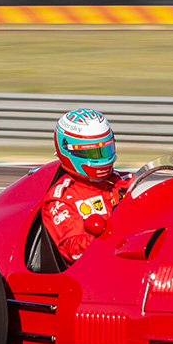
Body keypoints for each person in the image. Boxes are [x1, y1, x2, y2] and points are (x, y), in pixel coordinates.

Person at [40, 107, 130, 263]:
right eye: (94, 154)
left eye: (106, 150)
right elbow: (73, 250)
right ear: (68, 151)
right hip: (94, 273)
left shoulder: (124, 182)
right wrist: (108, 230)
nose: (102, 159)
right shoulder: (61, 199)